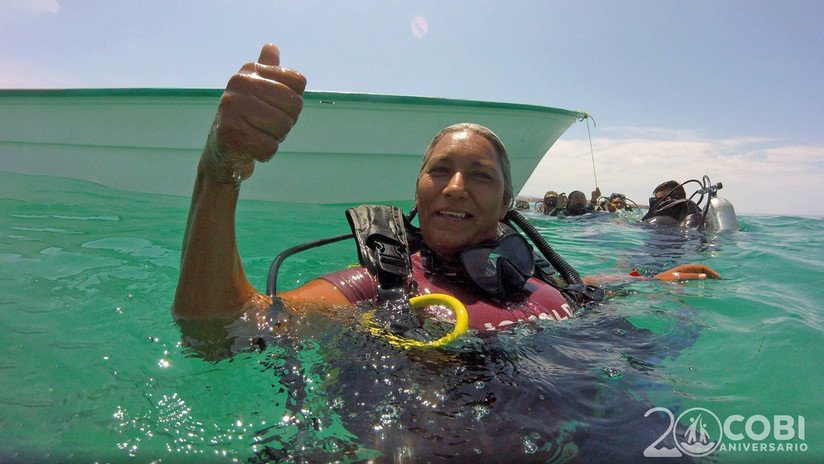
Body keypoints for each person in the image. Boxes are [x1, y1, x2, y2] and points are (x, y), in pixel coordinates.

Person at [172, 43, 719, 335]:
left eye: (480, 176)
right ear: (417, 192)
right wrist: (218, 170)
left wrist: (655, 279)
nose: (455, 187)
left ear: (507, 203)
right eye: (440, 171)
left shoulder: (532, 275)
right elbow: (220, 328)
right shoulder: (379, 286)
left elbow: (586, 287)